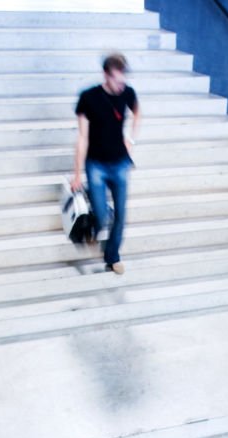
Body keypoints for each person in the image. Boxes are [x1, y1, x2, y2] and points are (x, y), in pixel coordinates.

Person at [72, 53, 141, 274]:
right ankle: (96, 219)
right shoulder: (89, 98)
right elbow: (82, 138)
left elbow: (138, 113)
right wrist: (76, 175)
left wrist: (131, 139)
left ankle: (112, 257)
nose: (121, 85)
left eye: (123, 80)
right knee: (101, 216)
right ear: (106, 75)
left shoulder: (128, 93)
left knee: (121, 215)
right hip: (96, 166)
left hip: (120, 164)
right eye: (116, 80)